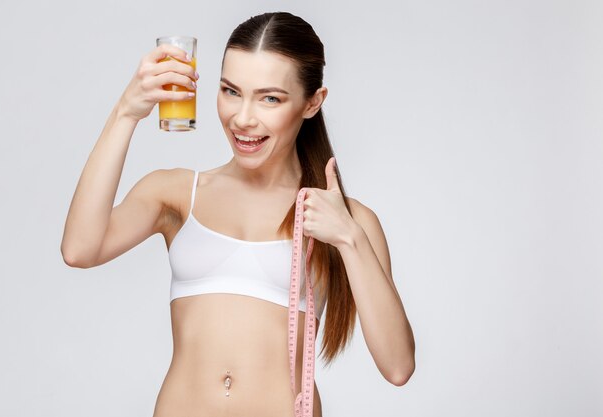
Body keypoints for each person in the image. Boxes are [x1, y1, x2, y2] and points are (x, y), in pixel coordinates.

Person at [61, 11, 415, 417]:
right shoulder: (176, 194)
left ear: (312, 103)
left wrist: (349, 240)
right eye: (231, 91)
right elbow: (79, 249)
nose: (242, 118)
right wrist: (126, 112)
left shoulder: (346, 219)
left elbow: (398, 366)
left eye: (270, 98)